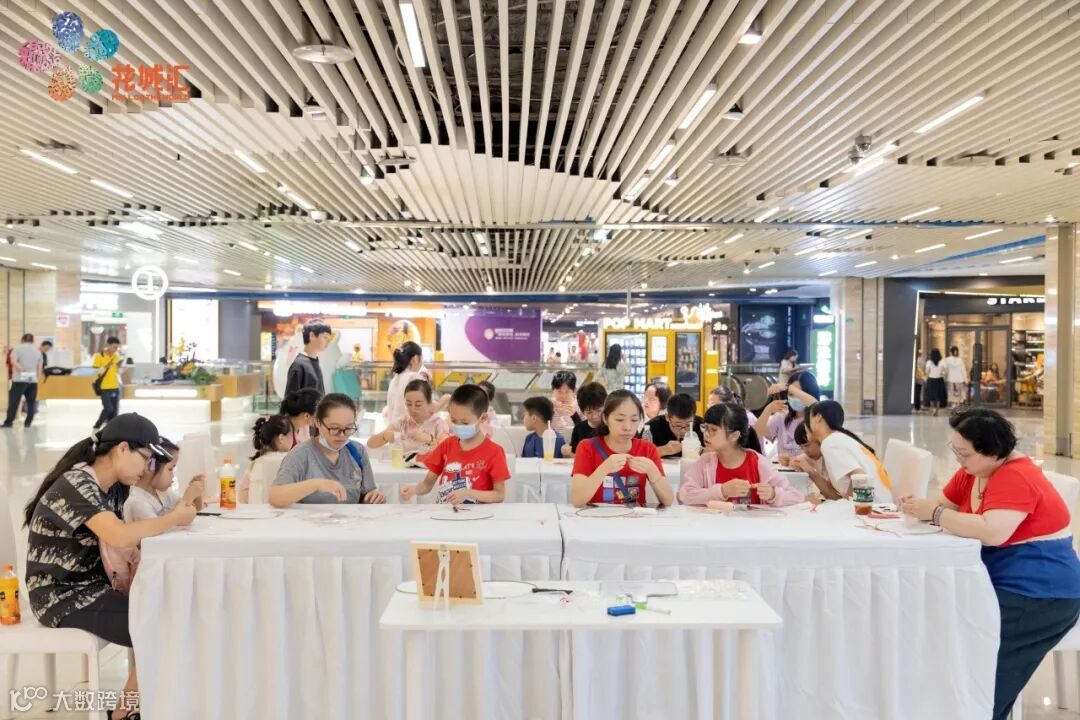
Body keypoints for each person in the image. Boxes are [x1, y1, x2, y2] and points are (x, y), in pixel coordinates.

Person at [899, 409, 1080, 720]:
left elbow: (992, 531)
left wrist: (936, 514)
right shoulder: (974, 471)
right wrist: (923, 508)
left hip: (1040, 595)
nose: (958, 459)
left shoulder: (1016, 476)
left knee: (974, 659)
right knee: (937, 625)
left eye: (965, 453)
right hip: (997, 581)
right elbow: (941, 503)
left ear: (993, 452)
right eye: (955, 450)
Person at [24, 414, 197, 720]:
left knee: (170, 614)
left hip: (91, 588)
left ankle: (130, 710)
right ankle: (124, 714)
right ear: (122, 449)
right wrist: (173, 519)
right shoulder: (77, 484)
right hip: (60, 596)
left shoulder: (112, 487)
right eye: (145, 458)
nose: (147, 468)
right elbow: (118, 535)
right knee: (163, 623)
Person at [400, 384, 511, 504]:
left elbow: (499, 495)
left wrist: (469, 493)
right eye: (453, 420)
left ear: (483, 418)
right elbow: (427, 484)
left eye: (465, 422)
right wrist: (414, 490)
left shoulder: (494, 452)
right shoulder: (446, 446)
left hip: (477, 514)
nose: (458, 426)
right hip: (445, 512)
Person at [270, 393, 385, 506]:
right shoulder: (301, 455)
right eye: (334, 428)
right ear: (317, 423)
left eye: (348, 428)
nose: (342, 435)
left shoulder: (357, 451)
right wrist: (316, 484)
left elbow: (366, 495)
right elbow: (275, 496)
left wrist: (373, 498)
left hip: (350, 518)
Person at [679, 404, 804, 507]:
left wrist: (773, 494)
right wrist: (722, 491)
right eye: (705, 428)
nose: (706, 434)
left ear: (734, 435)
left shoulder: (757, 462)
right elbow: (684, 495)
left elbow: (796, 496)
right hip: (715, 527)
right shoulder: (705, 462)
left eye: (713, 430)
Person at [571, 390, 672, 507]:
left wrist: (653, 471)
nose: (627, 427)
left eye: (634, 420)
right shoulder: (587, 447)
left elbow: (668, 500)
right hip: (598, 516)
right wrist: (603, 469)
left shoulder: (647, 449)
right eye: (620, 420)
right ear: (605, 418)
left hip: (635, 517)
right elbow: (577, 500)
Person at [807, 399, 890, 499]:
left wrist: (850, 505)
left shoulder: (830, 443)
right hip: (880, 501)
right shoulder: (837, 438)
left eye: (809, 418)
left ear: (818, 418)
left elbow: (859, 476)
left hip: (874, 504)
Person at [123, 438, 205, 521]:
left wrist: (196, 493)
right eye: (170, 469)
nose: (173, 475)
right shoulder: (136, 502)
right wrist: (187, 499)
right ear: (150, 466)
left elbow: (194, 509)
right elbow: (161, 525)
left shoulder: (164, 493)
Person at [367, 378, 448, 462]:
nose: (412, 409)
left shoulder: (438, 424)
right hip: (401, 468)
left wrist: (430, 439)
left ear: (429, 403)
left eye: (418, 405)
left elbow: (447, 450)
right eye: (408, 404)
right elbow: (370, 444)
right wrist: (386, 436)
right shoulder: (403, 421)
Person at [755, 370, 820, 458]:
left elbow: (815, 404)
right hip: (783, 466)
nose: (795, 398)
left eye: (798, 394)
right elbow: (756, 434)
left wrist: (787, 386)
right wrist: (767, 410)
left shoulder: (818, 419)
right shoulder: (782, 416)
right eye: (791, 394)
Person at [238, 415, 293, 503]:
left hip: (257, 510)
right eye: (291, 435)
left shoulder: (256, 463)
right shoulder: (290, 460)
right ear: (281, 438)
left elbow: (242, 494)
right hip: (284, 510)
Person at [642, 392, 704, 458]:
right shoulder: (652, 427)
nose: (683, 431)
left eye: (688, 425)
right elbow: (638, 453)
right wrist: (664, 450)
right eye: (678, 425)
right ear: (667, 417)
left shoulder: (702, 426)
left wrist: (702, 451)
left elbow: (711, 451)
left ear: (694, 417)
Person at [384, 340, 428, 426]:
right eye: (422, 359)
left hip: (392, 427)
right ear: (415, 359)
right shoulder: (415, 377)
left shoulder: (396, 378)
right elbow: (427, 408)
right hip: (408, 430)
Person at [3, 333, 43, 428]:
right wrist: (37, 378)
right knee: (31, 402)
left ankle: (9, 422)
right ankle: (28, 423)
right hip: (32, 380)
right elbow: (39, 367)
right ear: (32, 341)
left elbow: (13, 361)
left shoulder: (17, 349)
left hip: (19, 380)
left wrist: (22, 370)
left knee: (14, 402)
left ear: (22, 340)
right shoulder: (38, 351)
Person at [284, 319, 331, 397]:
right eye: (325, 337)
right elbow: (289, 400)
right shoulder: (298, 365)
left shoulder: (315, 362)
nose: (328, 341)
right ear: (312, 336)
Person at [92, 336, 123, 431]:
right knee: (108, 408)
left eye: (117, 348)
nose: (115, 349)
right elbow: (96, 373)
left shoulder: (116, 356)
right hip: (104, 387)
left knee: (114, 412)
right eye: (114, 347)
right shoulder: (98, 356)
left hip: (115, 386)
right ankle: (96, 427)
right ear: (108, 345)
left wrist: (121, 367)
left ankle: (111, 430)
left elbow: (117, 371)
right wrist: (106, 366)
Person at [570, 381, 608, 456]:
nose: (594, 416)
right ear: (582, 411)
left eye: (598, 411)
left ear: (605, 406)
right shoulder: (578, 429)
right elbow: (574, 453)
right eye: (589, 412)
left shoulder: (610, 427)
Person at [550, 370, 582, 436]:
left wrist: (574, 415)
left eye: (567, 392)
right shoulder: (548, 404)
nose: (563, 396)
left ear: (574, 391)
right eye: (559, 391)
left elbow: (585, 429)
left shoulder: (579, 405)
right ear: (553, 390)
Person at [925, 348, 947, 415]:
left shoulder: (929, 362)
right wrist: (941, 373)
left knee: (931, 395)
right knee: (938, 396)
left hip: (931, 380)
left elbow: (927, 372)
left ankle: (933, 409)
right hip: (939, 380)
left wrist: (926, 377)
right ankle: (937, 410)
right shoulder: (942, 362)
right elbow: (945, 371)